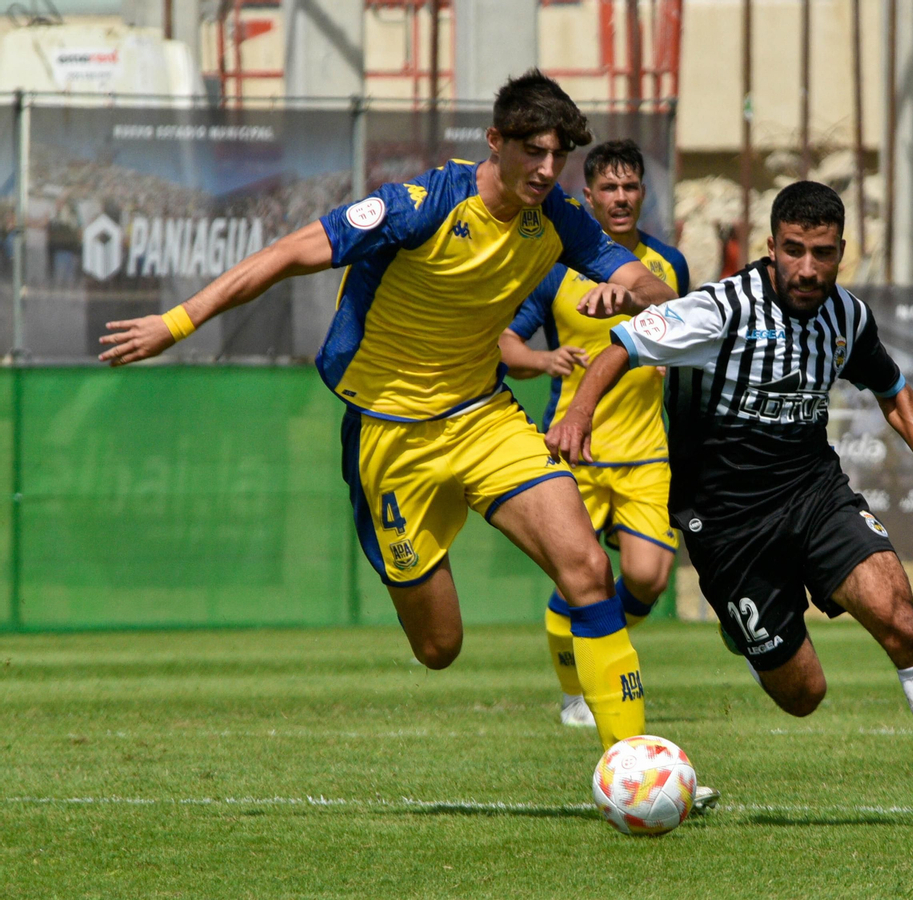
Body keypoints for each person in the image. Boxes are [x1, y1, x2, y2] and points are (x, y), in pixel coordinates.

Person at [96, 71, 674, 753]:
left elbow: (651, 281)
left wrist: (628, 293)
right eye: (533, 152)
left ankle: (634, 765)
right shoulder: (419, 205)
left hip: (482, 418)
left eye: (558, 156)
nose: (548, 170)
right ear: (495, 142)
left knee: (588, 569)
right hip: (391, 437)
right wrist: (178, 322)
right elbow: (288, 253)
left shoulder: (556, 219)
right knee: (439, 646)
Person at [546, 181, 913, 829]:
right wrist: (579, 415)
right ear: (771, 247)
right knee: (803, 694)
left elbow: (893, 389)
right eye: (794, 250)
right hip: (727, 523)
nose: (807, 268)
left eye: (823, 253)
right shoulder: (721, 308)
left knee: (899, 616)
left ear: (842, 253)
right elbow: (622, 345)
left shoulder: (846, 316)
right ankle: (748, 635)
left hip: (815, 494)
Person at [498, 139, 691, 730]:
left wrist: (647, 319)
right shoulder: (555, 267)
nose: (621, 197)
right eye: (608, 188)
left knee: (648, 576)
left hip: (646, 453)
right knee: (578, 573)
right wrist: (544, 360)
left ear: (642, 194)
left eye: (631, 186)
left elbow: (685, 320)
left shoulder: (667, 264)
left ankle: (595, 643)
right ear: (587, 197)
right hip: (574, 451)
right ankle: (576, 695)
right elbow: (502, 343)